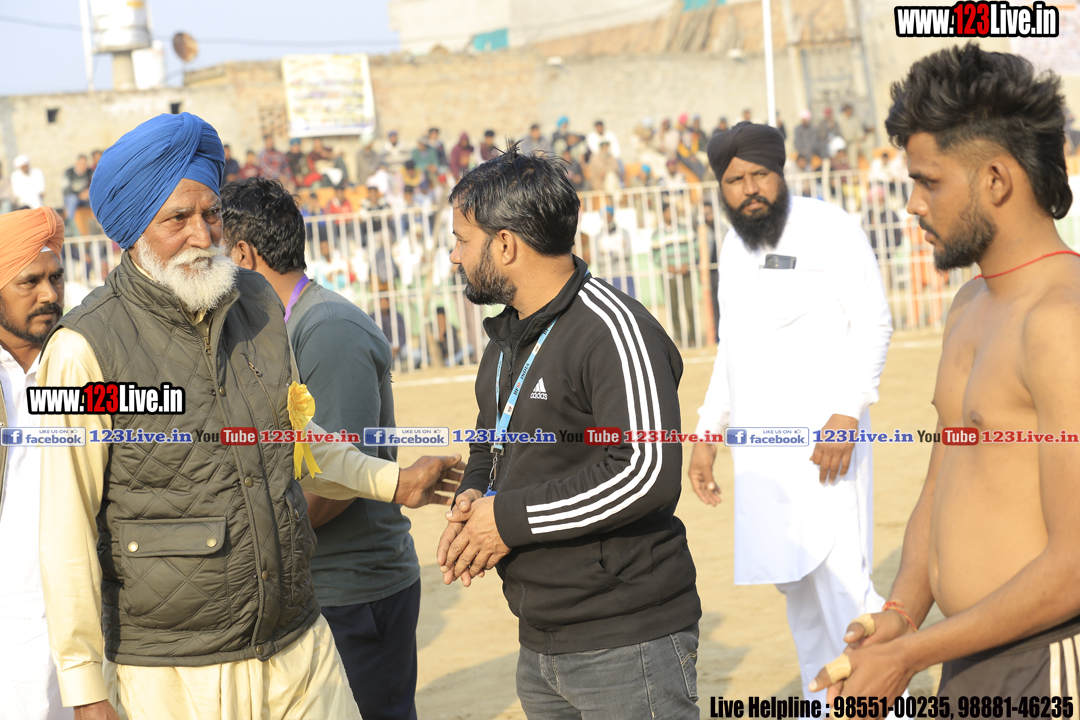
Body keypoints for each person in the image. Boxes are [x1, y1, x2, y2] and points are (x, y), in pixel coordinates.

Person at [36, 112, 463, 720]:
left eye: (210, 214)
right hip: (173, 676)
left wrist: (394, 481)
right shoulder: (84, 351)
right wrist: (85, 690)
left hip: (299, 646)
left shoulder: (255, 304)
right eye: (177, 219)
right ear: (132, 232)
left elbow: (293, 440)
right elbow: (66, 525)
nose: (201, 234)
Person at [811, 44, 1080, 703]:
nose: (912, 204)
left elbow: (1075, 565)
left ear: (995, 180)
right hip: (966, 655)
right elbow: (944, 484)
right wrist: (900, 616)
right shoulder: (970, 305)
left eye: (928, 181)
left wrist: (911, 654)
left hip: (1047, 662)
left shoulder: (1062, 322)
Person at [438, 143, 701, 719]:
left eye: (461, 240)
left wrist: (507, 519)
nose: (455, 257)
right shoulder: (507, 335)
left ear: (504, 245)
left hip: (626, 640)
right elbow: (492, 438)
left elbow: (647, 471)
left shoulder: (613, 329)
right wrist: (475, 496)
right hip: (540, 640)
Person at [687, 121, 893, 702]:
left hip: (828, 445)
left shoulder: (829, 227)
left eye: (760, 175)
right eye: (736, 181)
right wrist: (707, 431)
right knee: (799, 597)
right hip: (762, 458)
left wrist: (847, 413)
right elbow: (733, 347)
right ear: (721, 188)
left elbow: (873, 321)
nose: (750, 189)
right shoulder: (733, 248)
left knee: (846, 594)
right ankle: (823, 708)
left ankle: (884, 706)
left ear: (781, 173)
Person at [222, 177, 424, 720]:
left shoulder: (328, 328)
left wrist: (247, 551)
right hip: (309, 586)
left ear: (242, 254)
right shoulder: (272, 329)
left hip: (353, 591)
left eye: (214, 252)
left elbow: (337, 485)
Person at [0, 208, 69, 720]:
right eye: (30, 281)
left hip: (86, 616)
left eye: (56, 278)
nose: (48, 294)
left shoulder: (83, 364)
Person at [651, 202, 698, 346]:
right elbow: (654, 255)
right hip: (668, 276)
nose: (672, 214)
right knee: (673, 307)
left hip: (685, 273)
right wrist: (666, 266)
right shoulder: (657, 234)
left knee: (690, 306)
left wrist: (688, 263)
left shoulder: (686, 229)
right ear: (663, 214)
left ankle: (693, 338)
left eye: (674, 211)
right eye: (668, 212)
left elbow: (695, 248)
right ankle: (680, 337)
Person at [62, 155, 93, 231]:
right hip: (72, 198)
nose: (84, 166)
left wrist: (89, 192)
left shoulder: (89, 172)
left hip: (86, 198)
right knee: (72, 199)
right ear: (77, 163)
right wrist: (79, 194)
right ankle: (70, 225)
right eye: (82, 164)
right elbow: (66, 190)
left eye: (85, 164)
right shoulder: (69, 173)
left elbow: (96, 185)